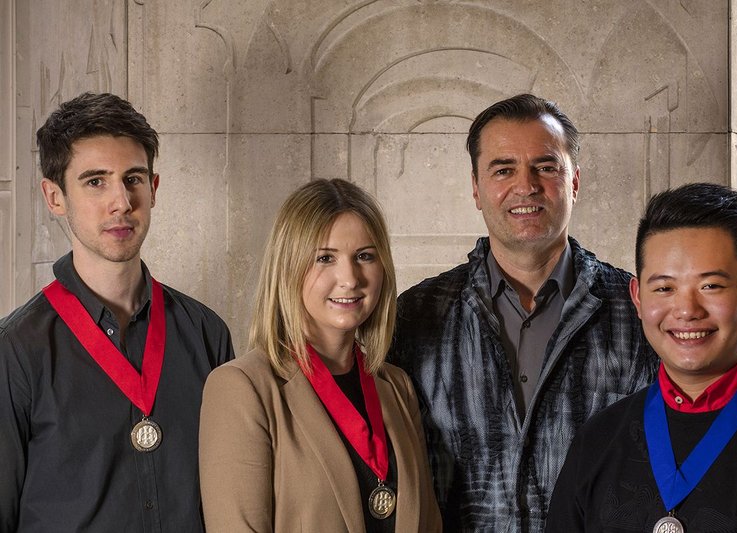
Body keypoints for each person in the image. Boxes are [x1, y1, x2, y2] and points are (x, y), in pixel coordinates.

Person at [390, 93, 659, 531]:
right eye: (503, 169)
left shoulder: (638, 312)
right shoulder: (417, 317)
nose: (526, 185)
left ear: (574, 183)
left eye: (546, 167)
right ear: (476, 188)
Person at [0, 92, 235, 532]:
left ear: (154, 187)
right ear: (54, 197)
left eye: (133, 179)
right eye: (95, 181)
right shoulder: (13, 351)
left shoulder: (207, 333)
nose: (121, 202)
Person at [546, 182, 737, 532]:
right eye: (664, 288)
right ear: (637, 297)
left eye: (711, 286)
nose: (686, 310)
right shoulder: (599, 439)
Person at [199, 178, 441, 533]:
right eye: (325, 258)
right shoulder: (242, 388)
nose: (350, 278)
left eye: (364, 256)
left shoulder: (397, 386)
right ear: (288, 268)